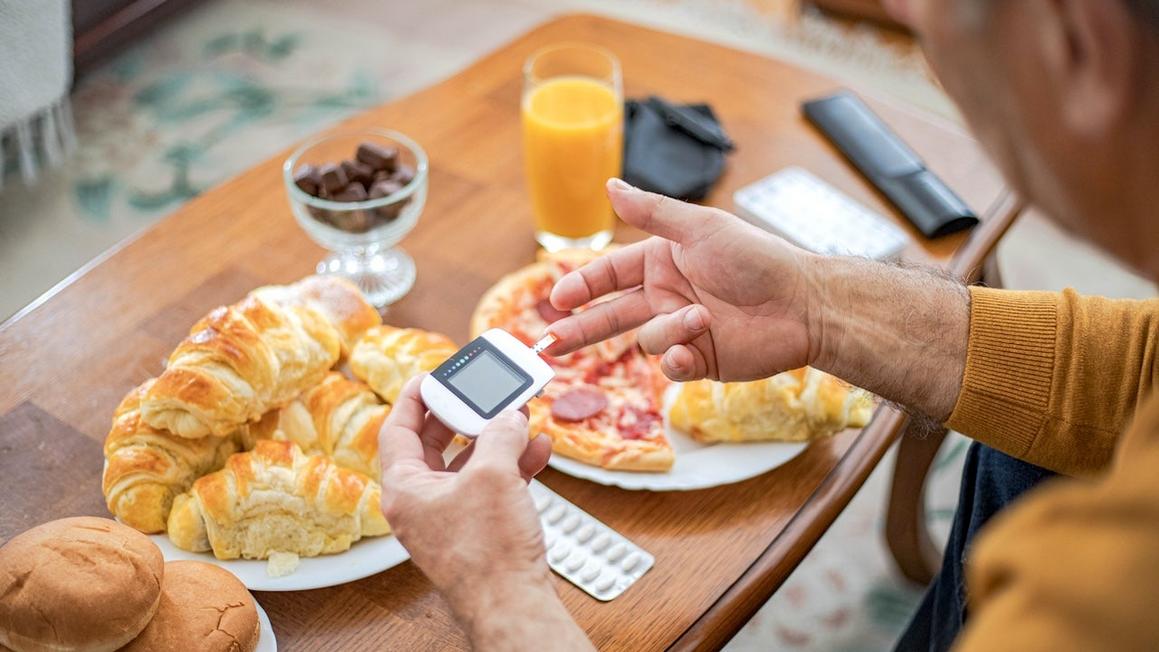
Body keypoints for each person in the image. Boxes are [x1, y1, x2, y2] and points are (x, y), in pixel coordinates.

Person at [377, 0, 1159, 649]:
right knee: (1017, 460)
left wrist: (498, 589)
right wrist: (814, 301)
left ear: (1077, 44)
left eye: (929, 27)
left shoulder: (1101, 597)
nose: (932, 65)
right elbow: (1140, 373)